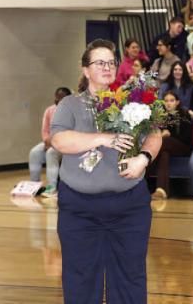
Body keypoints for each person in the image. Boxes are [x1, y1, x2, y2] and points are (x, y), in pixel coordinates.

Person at [50, 39, 161, 304]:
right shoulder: (70, 105)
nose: (107, 67)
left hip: (128, 208)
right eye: (99, 62)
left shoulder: (133, 100)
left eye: (111, 62)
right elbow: (59, 140)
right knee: (80, 279)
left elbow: (154, 136)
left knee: (130, 277)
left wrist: (143, 159)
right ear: (85, 70)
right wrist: (102, 138)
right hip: (79, 210)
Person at [147, 91, 192, 198]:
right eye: (166, 101)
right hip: (165, 148)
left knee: (165, 141)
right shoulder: (161, 116)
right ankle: (162, 190)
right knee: (164, 154)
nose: (168, 103)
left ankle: (143, 169)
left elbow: (187, 138)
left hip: (183, 147)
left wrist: (168, 136)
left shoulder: (184, 115)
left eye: (172, 101)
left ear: (177, 102)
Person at [29, 87, 71, 198]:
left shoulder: (72, 112)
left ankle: (52, 188)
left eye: (62, 98)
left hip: (66, 144)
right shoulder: (49, 110)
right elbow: (45, 131)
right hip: (50, 142)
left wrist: (53, 143)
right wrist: (47, 141)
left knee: (51, 153)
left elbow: (70, 132)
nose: (59, 100)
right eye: (57, 97)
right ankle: (34, 185)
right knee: (34, 152)